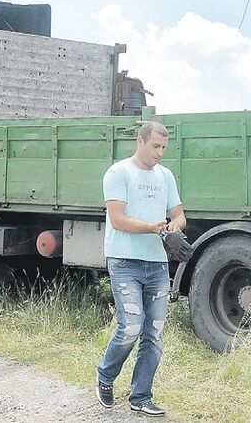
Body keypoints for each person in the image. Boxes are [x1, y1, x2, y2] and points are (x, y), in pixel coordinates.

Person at [95, 121, 186, 417]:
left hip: (157, 263)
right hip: (124, 261)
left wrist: (173, 229)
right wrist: (152, 228)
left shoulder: (166, 175)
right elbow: (118, 219)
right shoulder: (119, 172)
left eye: (163, 148)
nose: (159, 153)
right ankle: (105, 377)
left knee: (154, 333)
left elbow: (179, 215)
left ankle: (141, 396)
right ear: (140, 141)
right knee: (131, 327)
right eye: (155, 147)